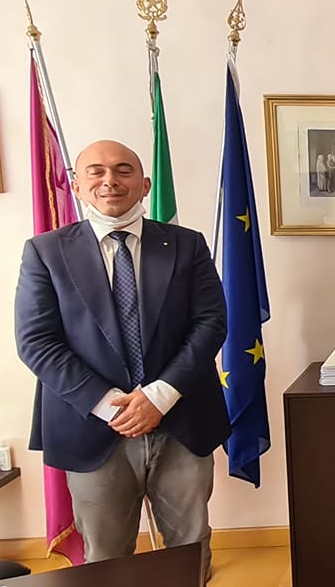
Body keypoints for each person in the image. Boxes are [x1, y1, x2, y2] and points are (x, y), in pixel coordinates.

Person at [14, 140, 228, 580]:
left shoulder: (186, 245)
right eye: (95, 171)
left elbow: (211, 322)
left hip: (181, 420)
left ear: (145, 184)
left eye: (123, 170)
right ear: (76, 185)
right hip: (92, 428)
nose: (110, 180)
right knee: (106, 561)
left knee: (190, 551)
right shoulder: (45, 252)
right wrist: (111, 404)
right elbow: (36, 341)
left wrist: (159, 396)